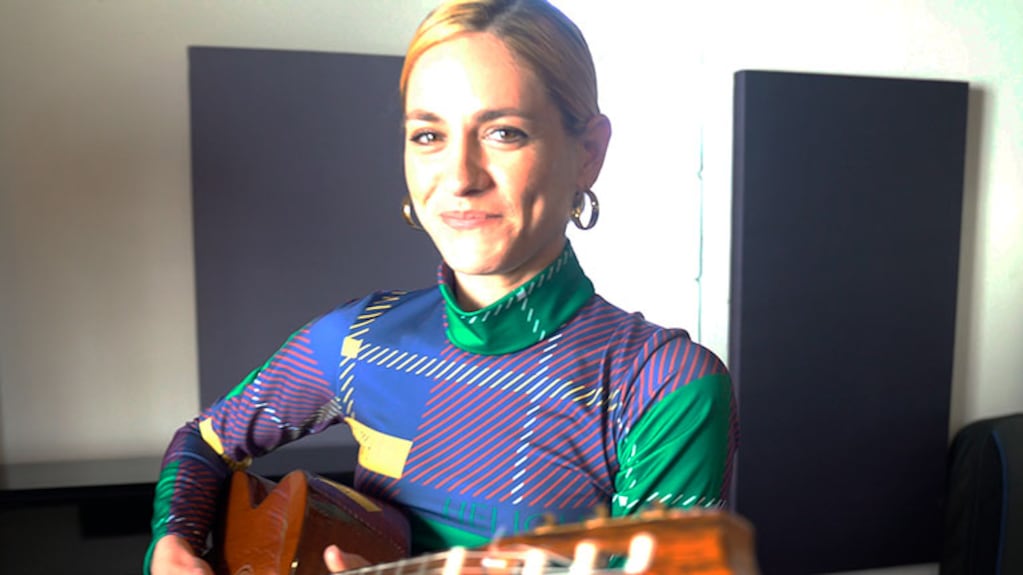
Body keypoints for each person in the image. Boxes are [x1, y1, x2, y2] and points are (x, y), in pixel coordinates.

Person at [146, 0, 737, 573]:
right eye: (429, 136)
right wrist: (172, 542)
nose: (459, 178)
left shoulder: (663, 387)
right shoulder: (354, 339)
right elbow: (203, 442)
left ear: (588, 153)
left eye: (504, 132)